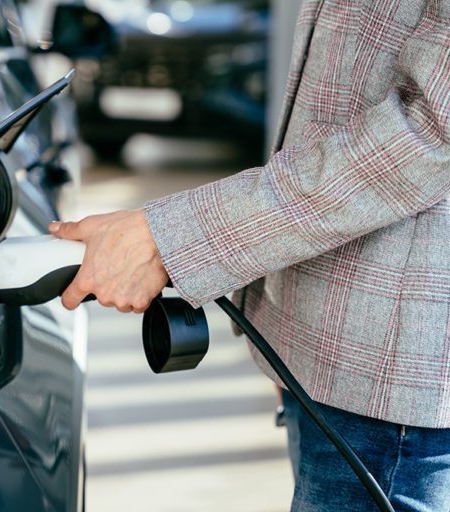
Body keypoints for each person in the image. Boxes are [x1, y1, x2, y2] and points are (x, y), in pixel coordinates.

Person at [49, 0, 450, 509]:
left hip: (390, 400)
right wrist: (288, 338)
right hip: (321, 365)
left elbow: (428, 137)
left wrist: (171, 238)